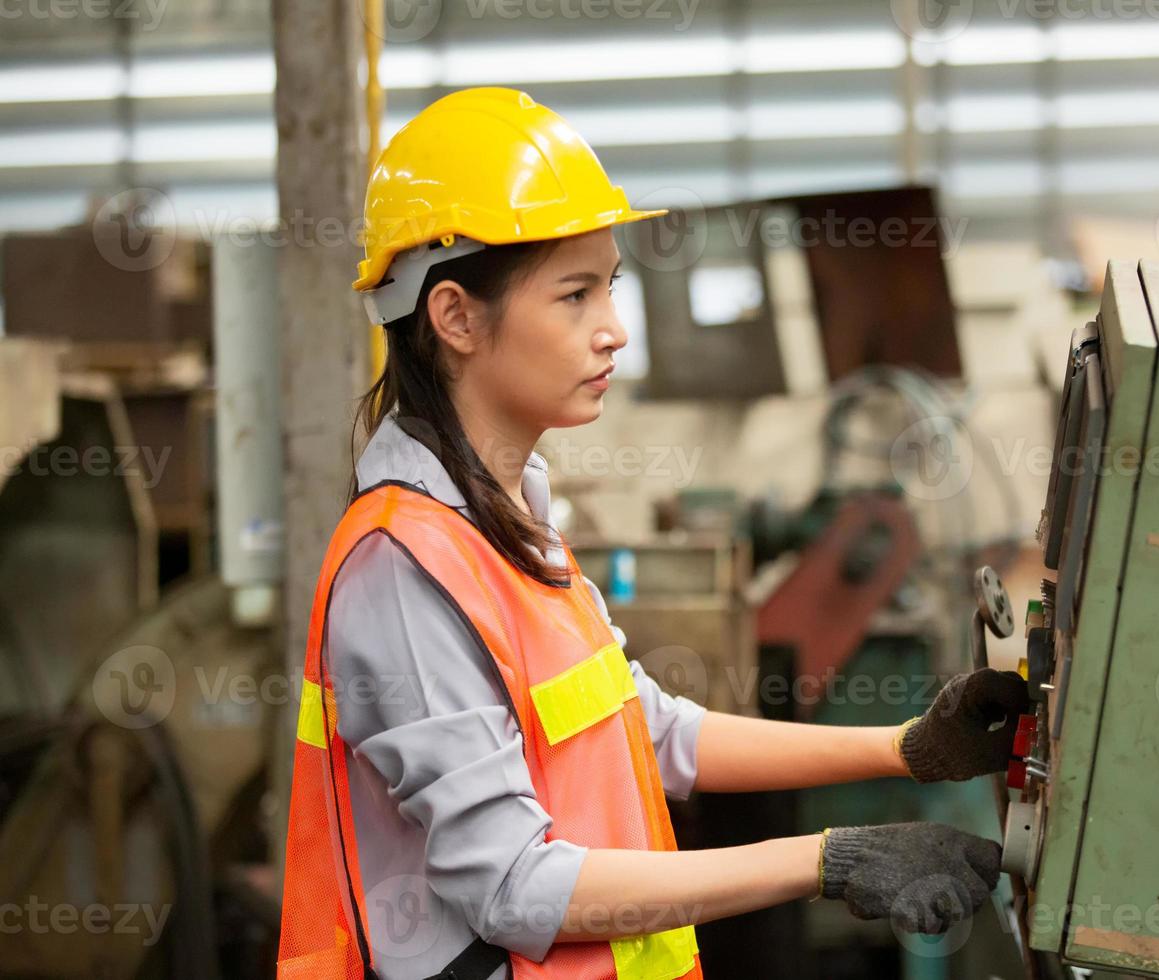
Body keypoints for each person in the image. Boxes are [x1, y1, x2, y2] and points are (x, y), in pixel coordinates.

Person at [277, 87, 1030, 980]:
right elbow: (513, 887)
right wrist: (830, 859)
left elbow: (650, 729)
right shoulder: (403, 570)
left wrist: (905, 749)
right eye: (573, 295)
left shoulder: (508, 523)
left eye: (611, 287)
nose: (614, 332)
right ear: (456, 317)